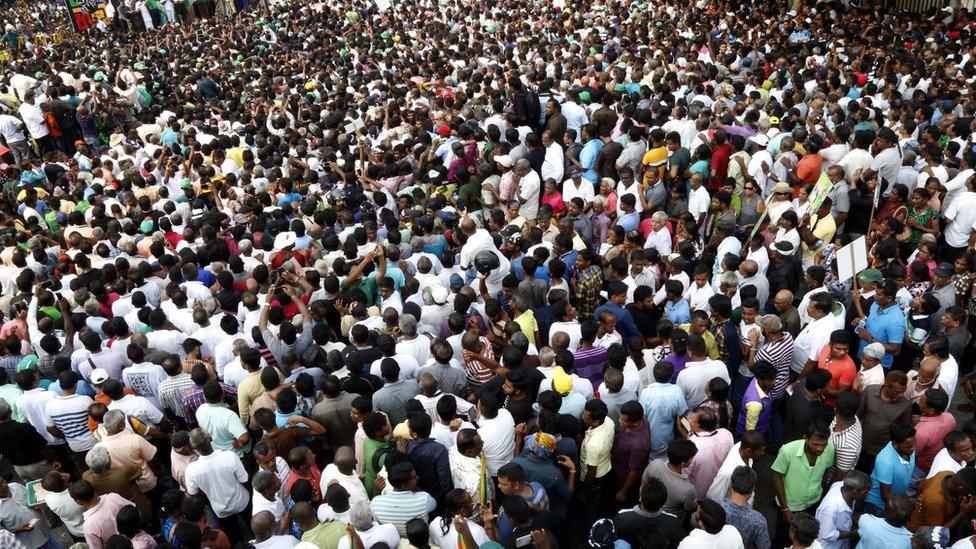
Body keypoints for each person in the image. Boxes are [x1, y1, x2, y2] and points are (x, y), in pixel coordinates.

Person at [771, 420, 836, 546]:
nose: (820, 449)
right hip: (790, 506)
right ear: (805, 438)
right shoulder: (787, 451)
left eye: (824, 445)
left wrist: (821, 493)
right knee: (782, 538)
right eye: (816, 444)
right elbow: (777, 477)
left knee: (804, 541)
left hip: (813, 503)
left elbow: (827, 470)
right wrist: (785, 509)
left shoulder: (830, 449)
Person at [815, 470, 870, 549]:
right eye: (865, 493)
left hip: (842, 543)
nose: (867, 495)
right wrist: (854, 533)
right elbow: (827, 535)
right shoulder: (830, 508)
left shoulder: (841, 485)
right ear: (855, 492)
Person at [719, 466, 770, 549]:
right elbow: (764, 546)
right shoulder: (758, 521)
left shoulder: (717, 508)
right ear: (753, 488)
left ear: (731, 484)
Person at [676, 500, 745, 549]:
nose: (698, 506)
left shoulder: (688, 544)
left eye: (698, 510)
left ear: (701, 523)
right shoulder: (733, 532)